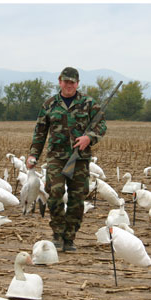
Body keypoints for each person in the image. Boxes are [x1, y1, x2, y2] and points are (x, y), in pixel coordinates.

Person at [26, 67, 107, 253]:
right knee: (54, 194)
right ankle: (57, 234)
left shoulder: (88, 103)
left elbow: (101, 126)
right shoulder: (49, 104)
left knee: (77, 199)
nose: (69, 85)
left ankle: (69, 238)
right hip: (56, 158)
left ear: (77, 83)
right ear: (60, 81)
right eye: (66, 81)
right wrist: (33, 155)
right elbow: (40, 132)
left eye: (72, 82)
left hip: (80, 159)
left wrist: (89, 138)